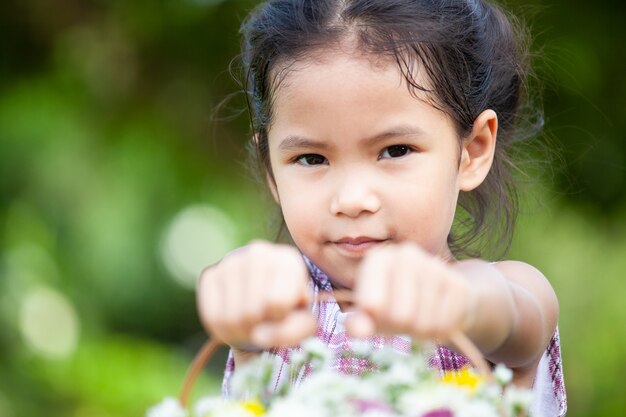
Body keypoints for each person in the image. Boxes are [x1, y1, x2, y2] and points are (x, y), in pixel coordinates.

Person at [197, 0, 566, 415]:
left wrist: (461, 304)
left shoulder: (500, 297)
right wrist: (234, 289)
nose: (352, 199)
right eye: (311, 159)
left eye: (395, 150)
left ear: (472, 151)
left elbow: (513, 316)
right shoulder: (281, 311)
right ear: (271, 168)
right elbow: (241, 283)